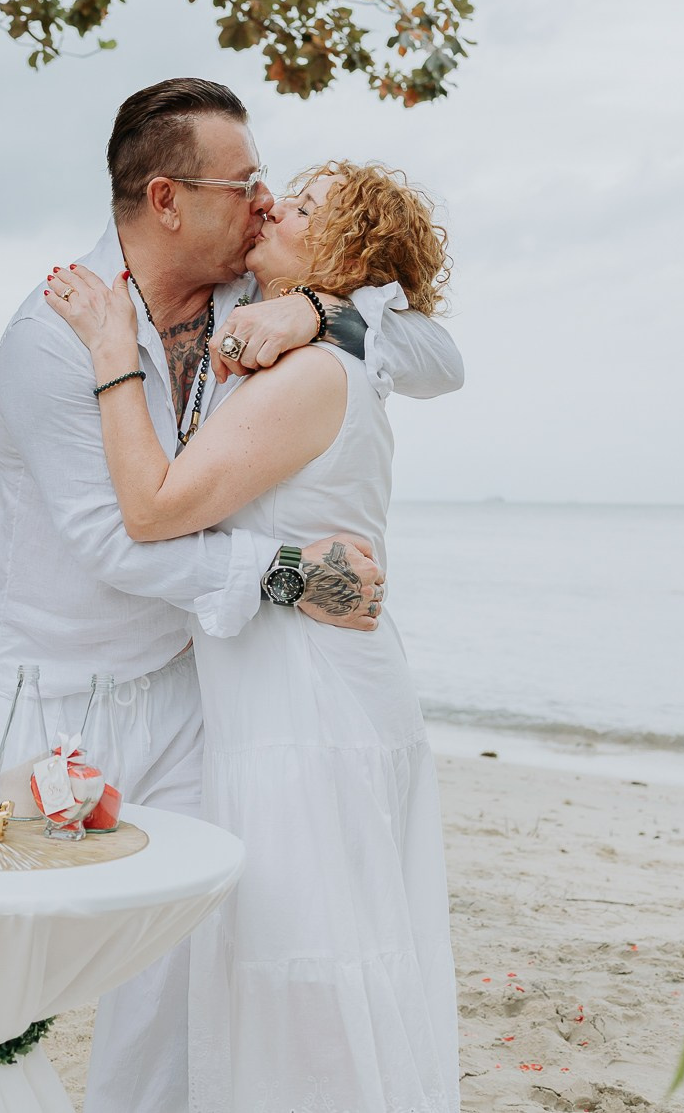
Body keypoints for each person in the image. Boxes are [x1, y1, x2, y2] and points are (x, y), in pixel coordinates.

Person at [0, 80, 462, 1113]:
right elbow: (112, 537)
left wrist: (315, 307)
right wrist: (281, 577)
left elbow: (432, 355)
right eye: (246, 184)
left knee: (174, 979)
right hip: (47, 698)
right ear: (169, 198)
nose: (267, 201)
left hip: (189, 702)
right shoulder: (51, 331)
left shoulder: (251, 301)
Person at [43, 159, 459, 1113]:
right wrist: (315, 305)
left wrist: (112, 350)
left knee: (306, 970)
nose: (273, 204)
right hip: (293, 696)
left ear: (346, 260)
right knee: (301, 963)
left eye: (304, 209)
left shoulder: (312, 371)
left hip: (308, 708)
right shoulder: (276, 331)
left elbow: (151, 509)